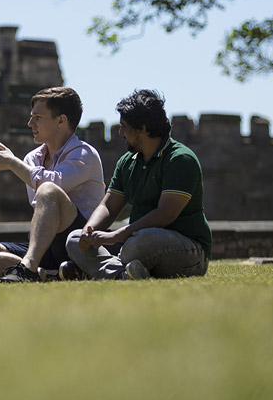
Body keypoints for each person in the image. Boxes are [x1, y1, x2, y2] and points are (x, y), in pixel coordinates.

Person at [65, 89, 212, 280]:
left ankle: (99, 270)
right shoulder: (127, 162)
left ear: (142, 128)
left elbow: (165, 214)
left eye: (124, 127)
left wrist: (117, 235)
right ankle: (124, 275)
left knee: (138, 243)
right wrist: (89, 230)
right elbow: (108, 206)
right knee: (74, 239)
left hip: (188, 250)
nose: (120, 133)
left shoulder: (180, 159)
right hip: (135, 240)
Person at [0, 86, 105, 282]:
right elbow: (39, 201)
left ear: (61, 120)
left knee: (48, 189)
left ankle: (28, 268)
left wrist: (13, 163)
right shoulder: (32, 158)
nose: (30, 123)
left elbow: (51, 186)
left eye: (37, 117)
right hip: (43, 248)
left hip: (80, 245)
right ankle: (46, 275)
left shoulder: (85, 154)